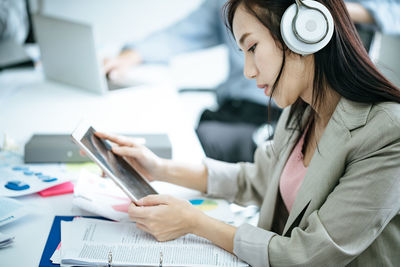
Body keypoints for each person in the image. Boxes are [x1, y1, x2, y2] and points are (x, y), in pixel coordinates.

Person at [97, 0, 400, 266]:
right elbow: (257, 179)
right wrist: (160, 169)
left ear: (305, 32)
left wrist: (194, 223)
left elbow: (308, 256)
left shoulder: (387, 132)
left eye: (253, 48)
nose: (248, 71)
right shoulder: (302, 111)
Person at [104, 0, 281, 163]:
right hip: (231, 110)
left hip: (268, 119)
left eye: (253, 47)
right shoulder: (225, 4)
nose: (248, 71)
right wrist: (133, 55)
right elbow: (182, 33)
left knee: (189, 147)